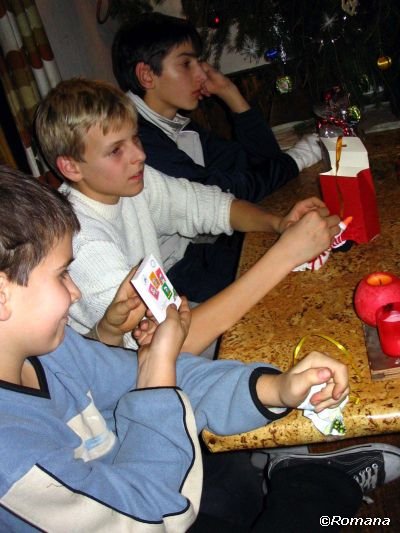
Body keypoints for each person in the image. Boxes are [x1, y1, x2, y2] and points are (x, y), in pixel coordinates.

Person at [1, 165, 400, 533]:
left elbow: (164, 378)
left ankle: (304, 480)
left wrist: (276, 388)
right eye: (61, 275)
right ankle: (317, 483)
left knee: (236, 487)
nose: (74, 292)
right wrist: (158, 373)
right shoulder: (11, 460)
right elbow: (153, 519)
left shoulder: (53, 351)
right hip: (153, 512)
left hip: (153, 481)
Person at [34, 77, 339, 354]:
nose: (139, 155)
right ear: (71, 167)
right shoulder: (82, 243)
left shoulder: (131, 182)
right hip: (138, 372)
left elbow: (208, 205)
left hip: (171, 329)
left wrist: (278, 223)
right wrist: (285, 255)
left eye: (135, 138)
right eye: (116, 150)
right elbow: (158, 353)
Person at [112, 12, 322, 301]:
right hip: (166, 279)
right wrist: (299, 157)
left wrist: (230, 93)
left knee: (314, 248)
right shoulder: (137, 140)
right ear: (147, 75)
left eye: (199, 62)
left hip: (198, 251)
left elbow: (260, 161)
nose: (202, 74)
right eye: (186, 63)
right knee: (292, 281)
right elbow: (224, 194)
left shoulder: (179, 127)